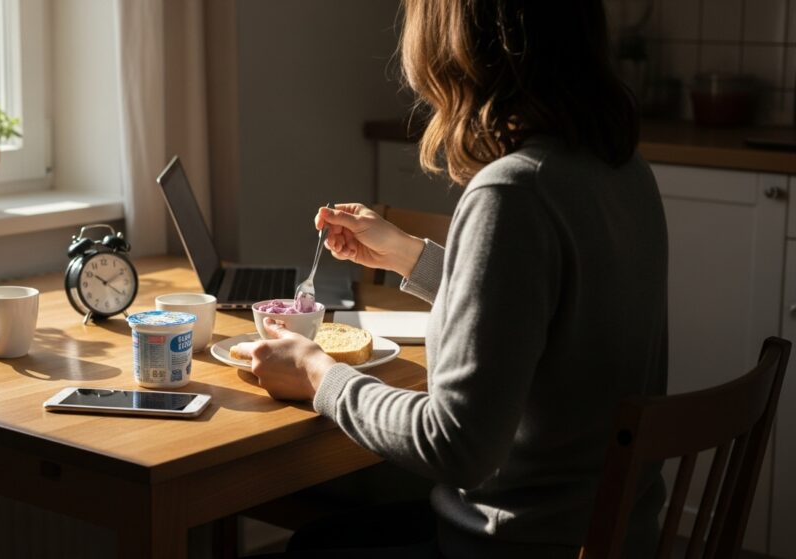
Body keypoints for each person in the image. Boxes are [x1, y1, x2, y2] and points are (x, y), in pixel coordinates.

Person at [233, 0, 667, 557]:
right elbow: (537, 315)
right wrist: (410, 256)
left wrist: (318, 375)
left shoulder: (512, 192)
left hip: (516, 542)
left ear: (455, 47)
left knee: (314, 544)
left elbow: (454, 446)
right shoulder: (624, 171)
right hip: (602, 533)